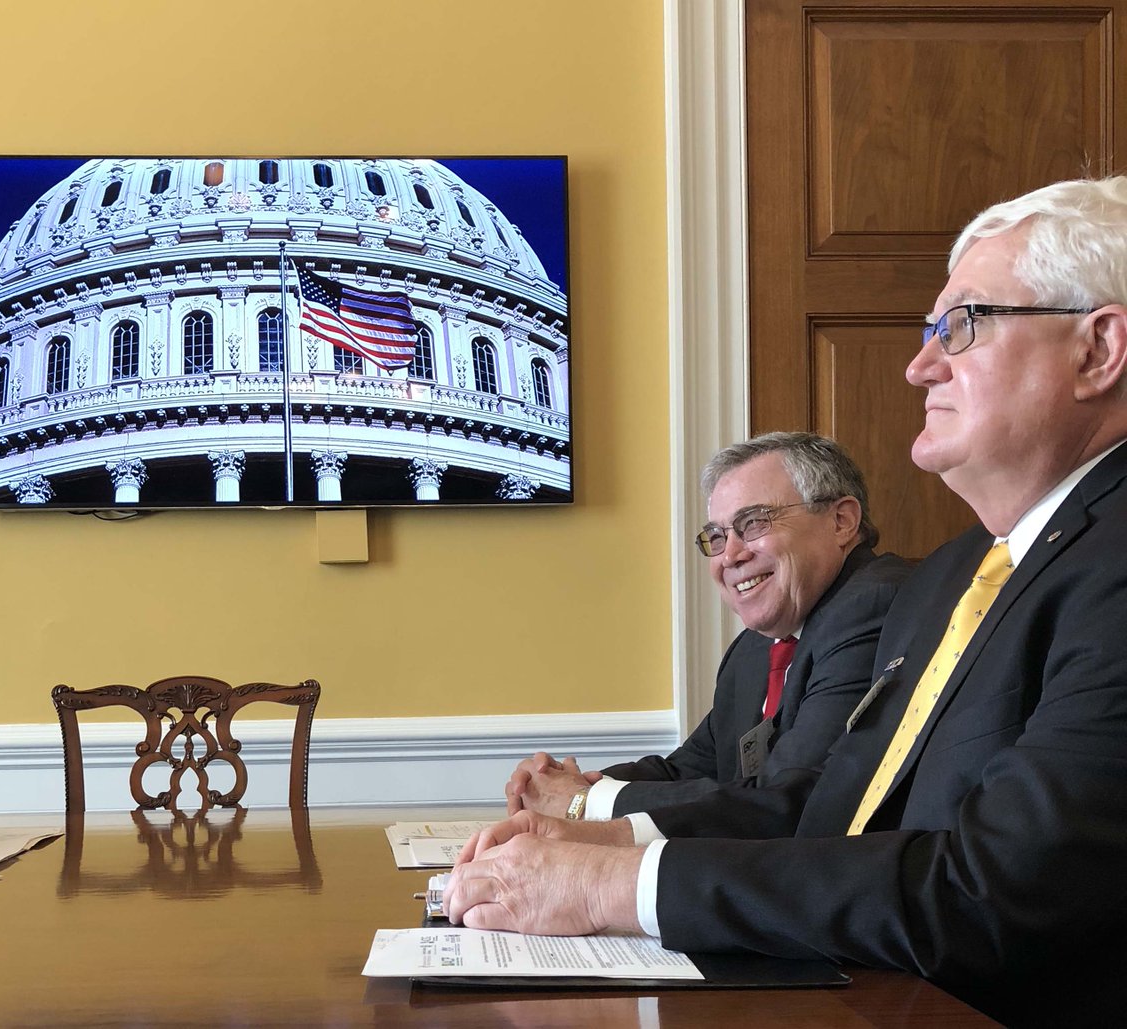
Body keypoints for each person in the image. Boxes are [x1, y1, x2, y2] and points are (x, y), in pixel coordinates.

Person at [444, 176, 1127, 1027]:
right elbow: (826, 818)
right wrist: (602, 839)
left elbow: (994, 892)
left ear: (1098, 350)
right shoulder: (952, 576)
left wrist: (620, 881)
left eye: (964, 325)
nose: (919, 363)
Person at [504, 432, 909, 821]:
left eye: (753, 523)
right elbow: (693, 771)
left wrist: (585, 802)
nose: (729, 555)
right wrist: (567, 784)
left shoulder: (869, 608)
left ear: (841, 521)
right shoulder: (754, 649)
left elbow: (790, 798)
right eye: (716, 536)